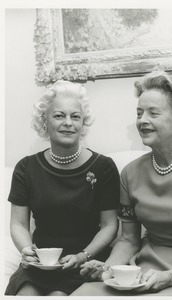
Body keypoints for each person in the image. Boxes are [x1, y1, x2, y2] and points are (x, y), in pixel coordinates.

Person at [71, 71, 172, 296]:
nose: (142, 120)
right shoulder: (130, 173)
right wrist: (107, 267)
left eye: (153, 113)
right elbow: (128, 239)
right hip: (146, 267)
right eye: (139, 113)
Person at [5, 80, 120, 296]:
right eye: (59, 115)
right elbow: (19, 223)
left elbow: (109, 225)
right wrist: (26, 251)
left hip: (86, 263)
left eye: (75, 116)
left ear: (83, 123)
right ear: (44, 121)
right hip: (41, 264)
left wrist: (82, 256)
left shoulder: (103, 167)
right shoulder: (26, 167)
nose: (68, 122)